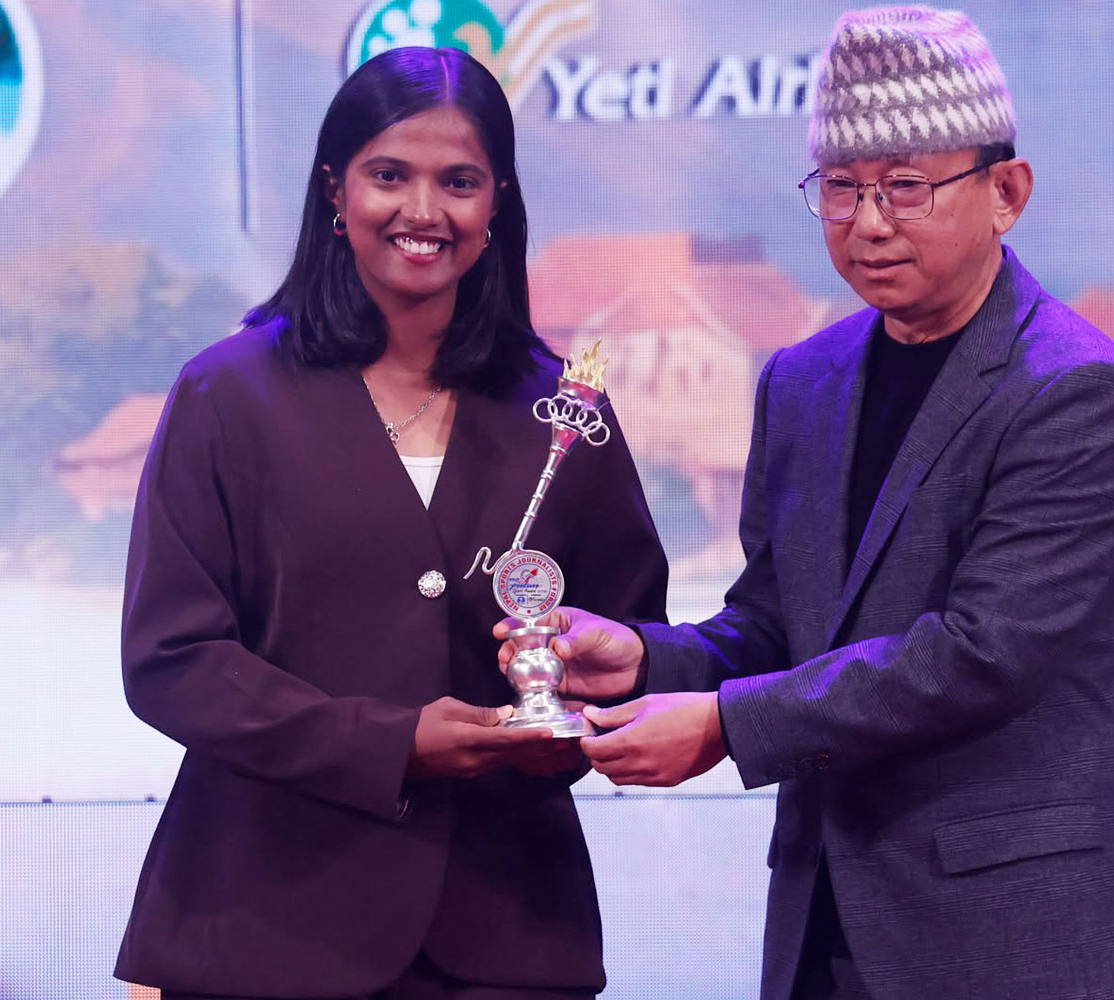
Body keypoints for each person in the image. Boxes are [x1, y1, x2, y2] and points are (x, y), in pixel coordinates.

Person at [495, 7, 1114, 999]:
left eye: (906, 186)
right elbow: (778, 624)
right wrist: (646, 658)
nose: (868, 222)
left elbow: (981, 656)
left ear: (1007, 192)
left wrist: (725, 724)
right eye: (842, 187)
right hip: (826, 928)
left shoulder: (1076, 388)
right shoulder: (803, 380)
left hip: (1017, 939)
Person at [116, 47, 667, 999]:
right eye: (389, 175)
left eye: (459, 181)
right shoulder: (227, 395)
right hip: (264, 930)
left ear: (498, 203)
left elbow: (629, 640)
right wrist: (388, 743)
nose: (424, 210)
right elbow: (172, 660)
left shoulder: (564, 411)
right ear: (336, 191)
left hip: (506, 935)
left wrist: (566, 712)